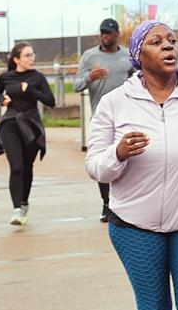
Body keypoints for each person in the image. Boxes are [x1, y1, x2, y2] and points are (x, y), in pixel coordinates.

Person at [85, 20, 178, 310]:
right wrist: (118, 153)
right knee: (153, 305)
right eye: (156, 42)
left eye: (171, 40)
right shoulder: (114, 103)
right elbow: (95, 165)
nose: (168, 45)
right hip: (133, 225)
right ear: (138, 56)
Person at [74, 18, 134, 222]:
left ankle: (126, 202)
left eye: (108, 32)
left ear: (117, 34)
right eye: (102, 32)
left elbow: (141, 79)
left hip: (128, 116)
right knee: (103, 160)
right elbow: (76, 85)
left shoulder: (127, 55)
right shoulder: (90, 56)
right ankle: (107, 204)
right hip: (101, 118)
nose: (104, 36)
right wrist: (90, 76)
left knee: (128, 160)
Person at [0, 42, 56, 226]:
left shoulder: (38, 77)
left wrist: (30, 90)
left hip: (31, 127)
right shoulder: (6, 77)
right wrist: (2, 99)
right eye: (27, 55)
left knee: (27, 167)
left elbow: (50, 101)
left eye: (32, 55)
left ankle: (24, 202)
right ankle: (16, 211)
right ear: (16, 59)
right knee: (17, 167)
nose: (31, 58)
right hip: (10, 125)